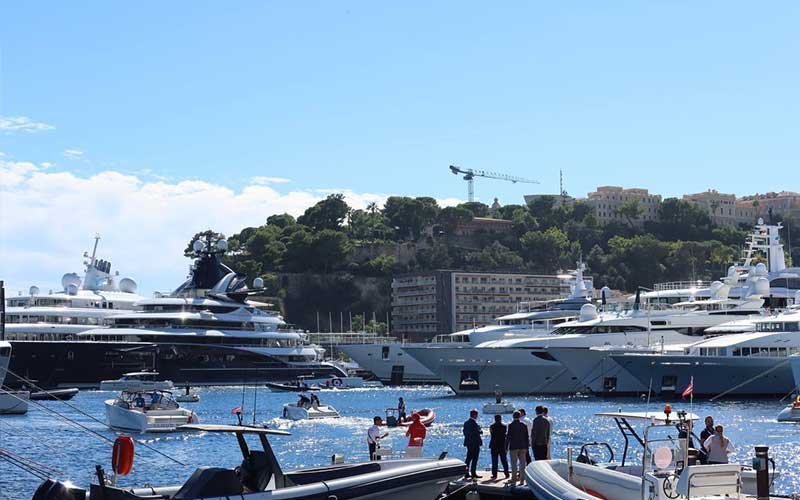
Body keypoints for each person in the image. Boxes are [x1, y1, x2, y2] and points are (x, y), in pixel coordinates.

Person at [506, 411, 529, 485]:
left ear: (513, 416)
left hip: (513, 447)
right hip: (522, 446)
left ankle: (514, 480)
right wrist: (527, 446)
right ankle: (522, 480)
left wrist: (506, 447)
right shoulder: (524, 425)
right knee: (522, 464)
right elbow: (526, 437)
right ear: (519, 416)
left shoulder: (511, 425)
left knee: (514, 464)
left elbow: (508, 437)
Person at [462, 409, 483, 479]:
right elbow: (476, 432)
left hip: (469, 443)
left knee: (468, 458)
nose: (477, 416)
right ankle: (473, 473)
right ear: (474, 415)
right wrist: (480, 431)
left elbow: (465, 432)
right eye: (476, 415)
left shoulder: (466, 423)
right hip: (475, 443)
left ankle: (466, 473)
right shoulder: (474, 424)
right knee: (475, 458)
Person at [489, 414, 510, 480]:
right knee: (504, 460)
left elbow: (491, 433)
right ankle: (506, 474)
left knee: (494, 461)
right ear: (501, 419)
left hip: (494, 445)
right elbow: (505, 435)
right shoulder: (504, 426)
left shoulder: (492, 426)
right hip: (502, 445)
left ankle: (494, 475)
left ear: (495, 419)